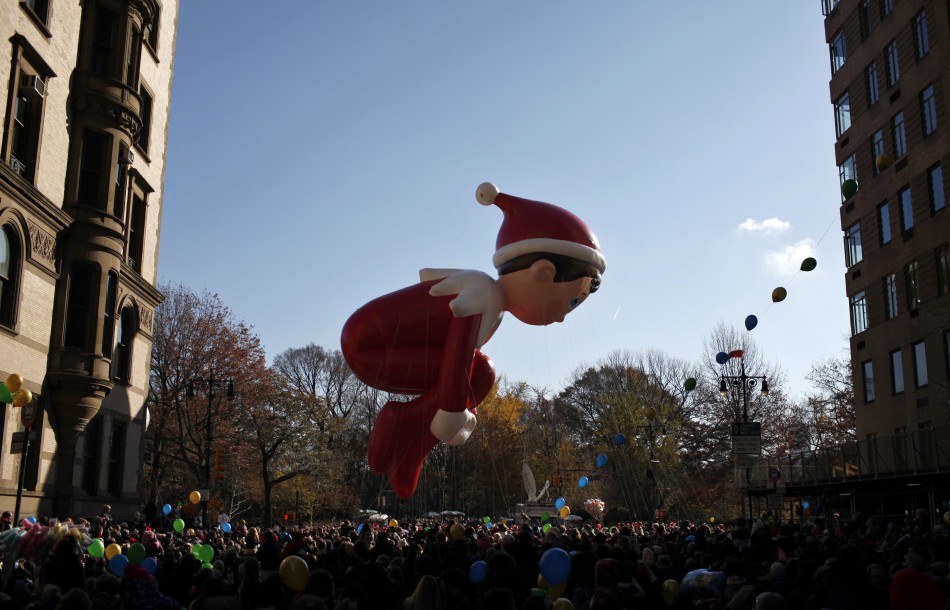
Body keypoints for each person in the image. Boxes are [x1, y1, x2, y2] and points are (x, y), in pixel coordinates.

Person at [342, 182, 606, 497]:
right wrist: (454, 410)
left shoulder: (483, 291)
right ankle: (403, 421)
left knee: (477, 373)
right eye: (570, 302)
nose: (562, 316)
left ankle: (412, 445)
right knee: (481, 371)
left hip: (379, 348)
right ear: (543, 273)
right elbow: (458, 355)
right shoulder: (482, 294)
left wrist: (462, 408)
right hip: (371, 351)